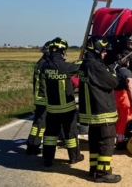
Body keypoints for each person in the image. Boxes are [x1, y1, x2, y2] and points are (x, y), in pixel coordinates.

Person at [78, 35, 121, 183]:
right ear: (96, 49)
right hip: (102, 110)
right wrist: (113, 71)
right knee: (107, 141)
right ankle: (103, 173)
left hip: (91, 112)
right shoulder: (95, 66)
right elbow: (112, 82)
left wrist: (108, 68)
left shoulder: (85, 64)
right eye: (103, 50)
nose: (105, 53)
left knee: (95, 141)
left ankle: (94, 169)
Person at [41, 37, 84, 167]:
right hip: (67, 108)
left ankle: (48, 159)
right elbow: (79, 66)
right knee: (71, 134)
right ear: (63, 51)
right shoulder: (66, 67)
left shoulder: (45, 66)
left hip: (51, 109)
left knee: (50, 135)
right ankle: (74, 157)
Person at [26, 40, 51, 155]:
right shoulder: (45, 64)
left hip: (38, 97)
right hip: (43, 98)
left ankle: (32, 144)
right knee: (41, 124)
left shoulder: (40, 62)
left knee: (37, 123)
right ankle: (33, 146)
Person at [113, 52, 132, 150]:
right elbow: (130, 87)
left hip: (115, 96)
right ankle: (121, 140)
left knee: (118, 118)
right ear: (127, 62)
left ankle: (117, 137)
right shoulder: (127, 72)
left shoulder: (115, 71)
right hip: (124, 96)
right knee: (125, 118)